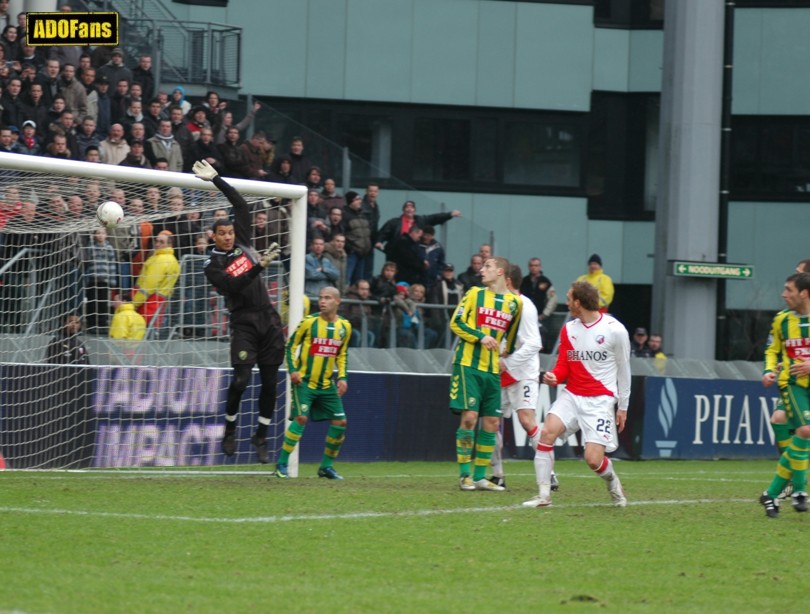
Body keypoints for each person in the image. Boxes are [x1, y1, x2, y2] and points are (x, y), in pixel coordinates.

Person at [195, 158, 285, 464]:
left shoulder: (243, 240)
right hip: (244, 322)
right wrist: (258, 266)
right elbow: (233, 287)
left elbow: (241, 205)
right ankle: (230, 429)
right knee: (241, 381)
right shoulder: (212, 264)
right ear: (214, 237)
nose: (228, 236)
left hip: (268, 318)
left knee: (271, 382)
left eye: (230, 232)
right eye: (222, 233)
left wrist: (217, 179)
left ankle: (260, 436)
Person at [523, 280, 630, 508]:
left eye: (569, 298)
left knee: (593, 460)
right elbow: (564, 365)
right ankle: (543, 496)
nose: (567, 302)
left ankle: (612, 482)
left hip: (600, 401)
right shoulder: (569, 329)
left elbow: (624, 370)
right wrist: (555, 376)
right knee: (546, 433)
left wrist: (623, 407)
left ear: (578, 303)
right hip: (572, 395)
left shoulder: (615, 330)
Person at [450, 256, 522, 492]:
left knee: (491, 422)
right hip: (468, 364)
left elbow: (510, 337)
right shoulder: (474, 294)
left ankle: (481, 477)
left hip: (492, 369)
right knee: (470, 417)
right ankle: (464, 475)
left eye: (487, 267)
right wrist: (481, 336)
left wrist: (505, 355)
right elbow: (456, 322)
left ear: (500, 272)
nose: (482, 270)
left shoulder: (514, 303)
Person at [489, 264, 557, 491]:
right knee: (490, 421)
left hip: (523, 372)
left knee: (527, 421)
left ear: (507, 279)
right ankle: (497, 475)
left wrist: (507, 362)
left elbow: (534, 343)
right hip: (499, 372)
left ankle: (550, 473)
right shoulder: (494, 302)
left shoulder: (524, 305)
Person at [277, 286, 351, 479]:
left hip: (326, 385)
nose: (322, 301)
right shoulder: (309, 323)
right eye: (321, 297)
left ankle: (326, 467)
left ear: (337, 302)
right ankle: (282, 464)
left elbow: (342, 354)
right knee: (301, 418)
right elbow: (290, 346)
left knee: (341, 421)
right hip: (305, 383)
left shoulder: (345, 327)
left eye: (327, 298)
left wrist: (343, 377)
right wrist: (292, 371)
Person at [759, 272, 810, 518]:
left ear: (804, 293)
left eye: (789, 289)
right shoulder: (781, 320)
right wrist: (769, 371)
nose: (783, 294)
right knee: (804, 431)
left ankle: (772, 492)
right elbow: (772, 349)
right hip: (792, 384)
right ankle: (799, 490)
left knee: (801, 437)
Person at [374, 200, 461, 257]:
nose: (409, 209)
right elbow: (383, 232)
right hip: (397, 253)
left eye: (411, 207)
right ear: (403, 210)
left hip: (415, 253)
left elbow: (435, 217)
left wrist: (450, 214)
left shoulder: (421, 220)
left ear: (414, 210)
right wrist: (379, 241)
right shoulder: (394, 222)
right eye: (407, 207)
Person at [131, 231, 180, 329]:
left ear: (169, 244)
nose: (157, 244)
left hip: (149, 303)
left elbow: (148, 286)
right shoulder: (173, 260)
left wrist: (134, 303)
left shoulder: (160, 260)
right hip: (159, 303)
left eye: (162, 242)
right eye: (156, 241)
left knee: (139, 333)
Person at [82, 226, 118, 334]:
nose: (100, 235)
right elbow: (87, 264)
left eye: (102, 233)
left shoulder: (109, 248)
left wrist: (112, 281)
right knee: (92, 302)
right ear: (94, 235)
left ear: (106, 235)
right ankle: (91, 323)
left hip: (104, 280)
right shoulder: (90, 247)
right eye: (98, 233)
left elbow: (112, 265)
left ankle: (102, 324)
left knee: (103, 302)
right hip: (93, 280)